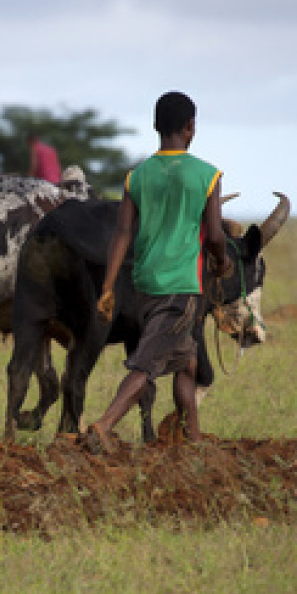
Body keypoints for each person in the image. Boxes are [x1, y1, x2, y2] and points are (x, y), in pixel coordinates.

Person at [83, 91, 233, 454]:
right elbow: (214, 236)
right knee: (147, 365)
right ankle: (103, 426)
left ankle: (193, 444)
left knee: (187, 360)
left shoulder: (137, 177)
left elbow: (122, 234)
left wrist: (107, 286)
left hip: (143, 286)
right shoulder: (207, 176)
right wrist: (223, 260)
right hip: (180, 286)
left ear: (155, 127)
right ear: (190, 128)